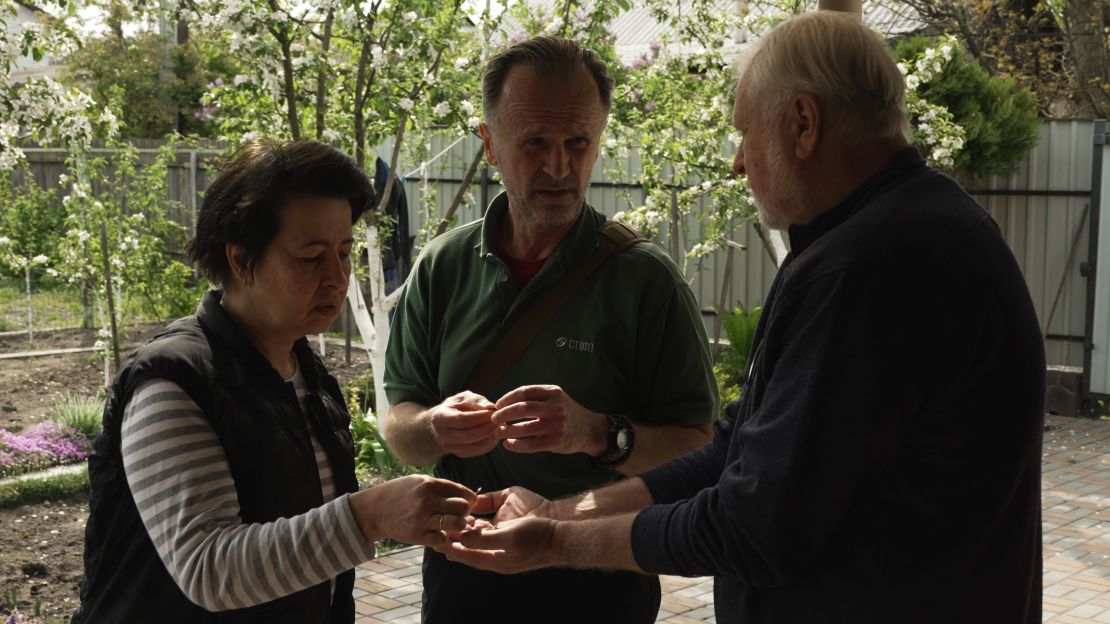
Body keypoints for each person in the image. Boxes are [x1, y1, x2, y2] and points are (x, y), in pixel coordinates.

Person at [441, 11, 1046, 623]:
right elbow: (734, 452)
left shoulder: (870, 266)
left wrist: (551, 543)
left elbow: (752, 525)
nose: (737, 162)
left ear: (803, 125)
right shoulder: (882, 233)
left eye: (746, 133)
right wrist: (557, 514)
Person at [382, 37, 719, 623]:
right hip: (465, 571)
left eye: (577, 143)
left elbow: (702, 450)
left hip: (598, 575)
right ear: (490, 144)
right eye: (535, 142)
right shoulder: (442, 266)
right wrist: (435, 426)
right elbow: (400, 429)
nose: (559, 168)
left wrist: (598, 433)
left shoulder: (645, 281)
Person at [73, 139, 477, 623]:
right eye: (311, 257)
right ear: (242, 261)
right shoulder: (173, 382)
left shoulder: (307, 373)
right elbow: (207, 567)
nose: (337, 277)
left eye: (344, 252)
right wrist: (369, 515)